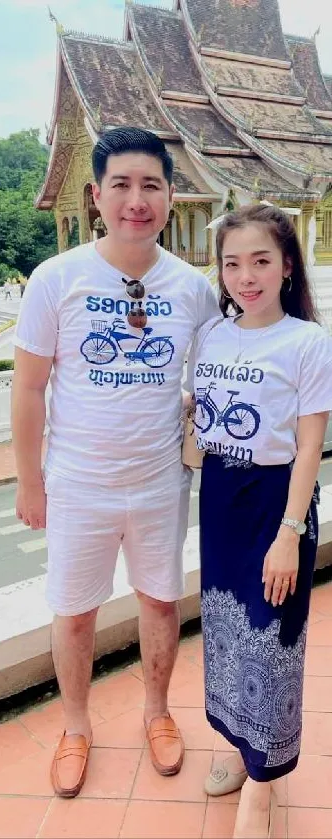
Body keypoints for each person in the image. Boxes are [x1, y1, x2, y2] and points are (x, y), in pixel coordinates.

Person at [12, 126, 219, 798]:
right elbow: (29, 385)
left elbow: (221, 368)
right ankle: (75, 725)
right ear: (97, 195)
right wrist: (29, 480)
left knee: (160, 601)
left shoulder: (191, 287)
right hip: (78, 482)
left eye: (151, 185)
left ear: (169, 195)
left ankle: (156, 712)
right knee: (74, 611)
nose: (137, 200)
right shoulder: (58, 278)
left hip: (161, 479)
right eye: (122, 185)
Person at [191, 204, 332, 838]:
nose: (245, 276)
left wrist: (288, 533)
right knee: (223, 636)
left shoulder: (308, 341)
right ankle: (235, 744)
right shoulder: (214, 336)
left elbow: (309, 447)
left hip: (276, 505)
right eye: (232, 263)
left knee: (272, 642)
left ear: (286, 265)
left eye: (260, 261)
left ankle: (264, 778)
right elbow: (198, 410)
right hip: (220, 497)